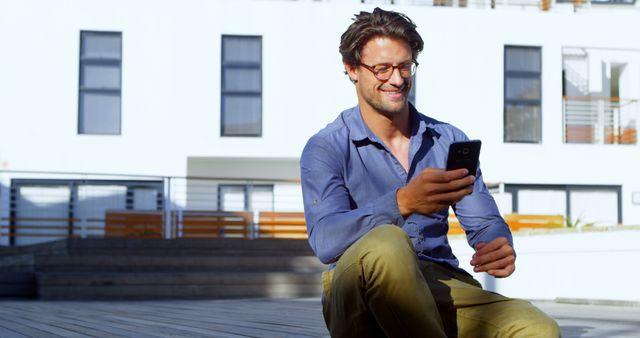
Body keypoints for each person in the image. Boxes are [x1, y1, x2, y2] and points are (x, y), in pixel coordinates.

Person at [300, 7, 560, 338]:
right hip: (358, 294)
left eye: (405, 66)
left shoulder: (448, 140)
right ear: (352, 69)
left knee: (537, 328)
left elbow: (484, 222)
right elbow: (325, 239)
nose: (396, 79)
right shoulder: (326, 147)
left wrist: (497, 243)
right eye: (382, 68)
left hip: (439, 282)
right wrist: (402, 203)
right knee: (387, 242)